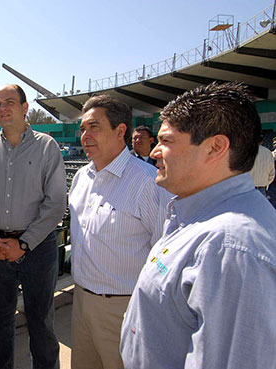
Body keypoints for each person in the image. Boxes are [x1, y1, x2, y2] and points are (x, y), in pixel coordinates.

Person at [121, 82, 276, 368]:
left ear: (215, 147)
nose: (155, 152)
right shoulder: (200, 216)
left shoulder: (232, 249)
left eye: (166, 141)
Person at [0, 84, 67, 369]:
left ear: (25, 108)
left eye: (9, 102)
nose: (3, 108)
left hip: (37, 247)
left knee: (41, 322)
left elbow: (56, 203)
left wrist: (23, 243)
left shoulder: (47, 145)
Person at [69, 95, 169, 369]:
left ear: (120, 131)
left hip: (124, 309)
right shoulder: (80, 178)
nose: (85, 136)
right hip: (81, 303)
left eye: (94, 127)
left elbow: (165, 254)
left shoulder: (148, 183)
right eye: (82, 129)